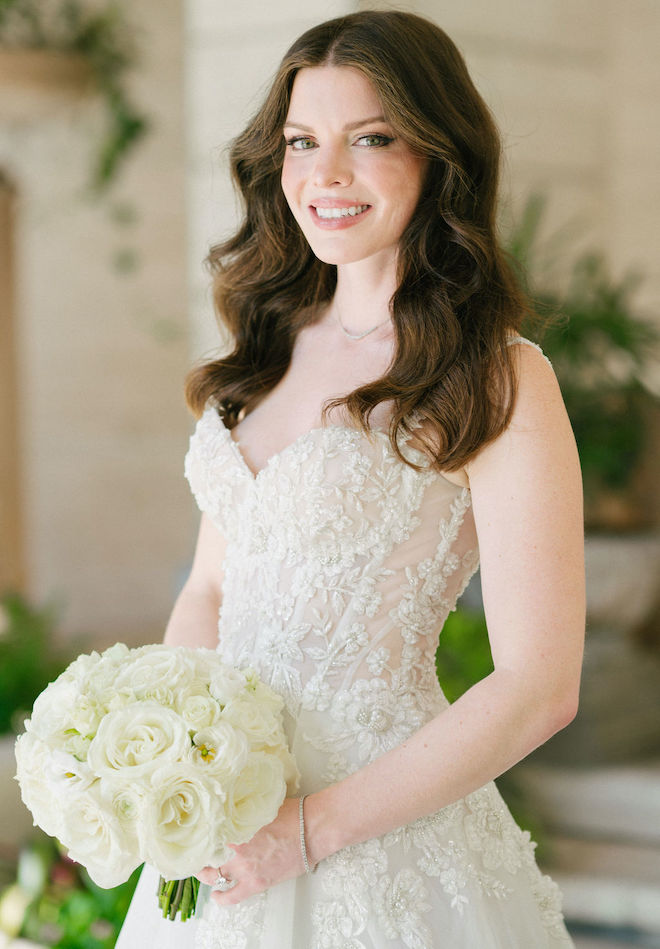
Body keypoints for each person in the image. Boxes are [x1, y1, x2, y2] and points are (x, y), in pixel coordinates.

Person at [116, 10, 584, 948]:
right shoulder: (264, 348)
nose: (323, 176)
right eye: (300, 142)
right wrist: (173, 759)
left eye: (369, 138)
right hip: (224, 843)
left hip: (383, 843)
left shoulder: (496, 374)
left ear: (439, 156)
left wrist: (307, 830)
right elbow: (211, 587)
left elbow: (540, 685)